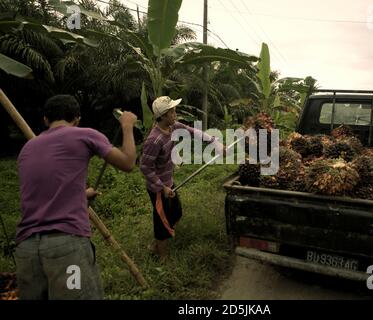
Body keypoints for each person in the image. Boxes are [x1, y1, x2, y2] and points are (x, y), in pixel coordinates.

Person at [15, 94, 137, 300]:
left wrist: (82, 194)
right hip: (66, 248)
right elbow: (127, 162)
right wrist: (127, 126)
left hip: (26, 251)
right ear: (77, 119)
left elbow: (45, 192)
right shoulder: (84, 135)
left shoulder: (28, 148)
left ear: (45, 120)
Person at [140, 96, 223, 261]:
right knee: (161, 222)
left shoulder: (173, 127)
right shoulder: (154, 140)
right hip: (158, 189)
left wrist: (214, 141)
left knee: (177, 213)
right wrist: (162, 188)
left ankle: (157, 243)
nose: (175, 114)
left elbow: (193, 132)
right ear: (162, 116)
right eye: (171, 112)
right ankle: (162, 257)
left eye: (174, 110)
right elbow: (145, 167)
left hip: (169, 183)